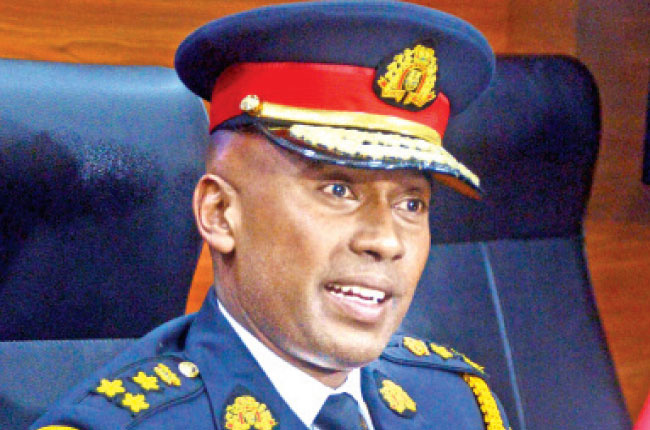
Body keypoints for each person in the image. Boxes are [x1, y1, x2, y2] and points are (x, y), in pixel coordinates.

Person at [31, 1, 511, 429]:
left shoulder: (458, 405)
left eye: (411, 204)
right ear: (220, 214)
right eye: (338, 190)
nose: (386, 241)